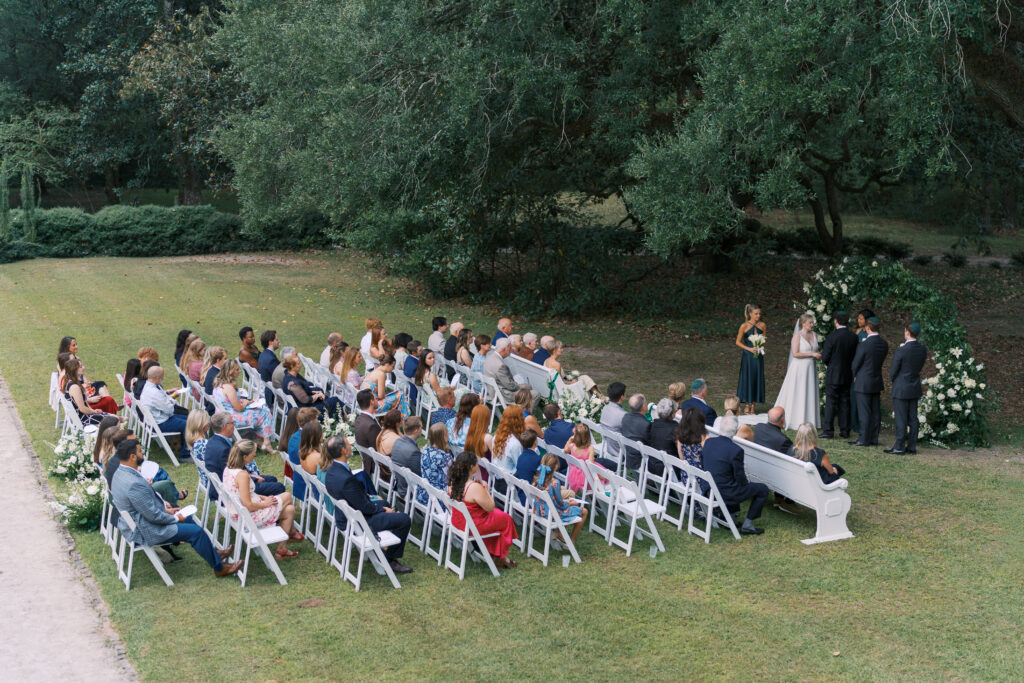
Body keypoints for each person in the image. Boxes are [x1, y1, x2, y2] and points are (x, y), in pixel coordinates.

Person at [111, 438, 240, 577]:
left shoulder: (120, 473)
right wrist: (174, 518)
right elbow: (153, 516)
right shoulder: (133, 484)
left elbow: (143, 507)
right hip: (147, 530)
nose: (143, 452)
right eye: (140, 451)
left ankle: (214, 553)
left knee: (188, 518)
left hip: (139, 521)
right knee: (196, 532)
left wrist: (167, 510)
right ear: (132, 457)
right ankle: (219, 569)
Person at [323, 435, 413, 574]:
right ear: (342, 450)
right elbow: (366, 508)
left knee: (384, 501)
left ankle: (384, 546)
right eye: (348, 444)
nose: (350, 446)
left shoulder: (332, 471)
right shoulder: (345, 478)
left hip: (347, 514)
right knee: (404, 519)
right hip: (358, 522)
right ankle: (389, 559)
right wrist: (383, 509)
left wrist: (369, 498)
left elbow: (353, 496)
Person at [222, 440, 301, 559]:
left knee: (289, 510)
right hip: (249, 517)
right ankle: (291, 533)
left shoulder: (228, 469)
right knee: (287, 496)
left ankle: (282, 550)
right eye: (253, 454)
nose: (254, 455)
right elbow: (247, 504)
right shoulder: (241, 475)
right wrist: (266, 503)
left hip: (240, 512)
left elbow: (246, 494)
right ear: (244, 456)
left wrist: (263, 497)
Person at [448, 450, 517, 569]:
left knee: (499, 517)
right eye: (476, 463)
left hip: (459, 521)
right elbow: (490, 507)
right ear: (471, 467)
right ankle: (499, 557)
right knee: (506, 519)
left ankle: (497, 556)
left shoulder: (452, 482)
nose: (478, 465)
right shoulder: (474, 487)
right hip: (473, 525)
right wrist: (485, 488)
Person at [701, 416, 769, 535]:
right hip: (724, 492)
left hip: (708, 488)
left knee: (730, 481)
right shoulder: (735, 450)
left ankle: (730, 518)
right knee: (762, 489)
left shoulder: (709, 442)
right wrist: (747, 486)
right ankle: (747, 525)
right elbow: (740, 477)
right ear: (736, 431)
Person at [212, 359, 275, 451]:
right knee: (265, 411)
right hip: (231, 418)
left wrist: (243, 401)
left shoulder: (219, 384)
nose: (239, 371)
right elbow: (239, 409)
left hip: (222, 414)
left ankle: (256, 440)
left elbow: (228, 401)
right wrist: (245, 403)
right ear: (231, 371)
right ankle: (266, 442)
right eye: (237, 370)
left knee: (257, 409)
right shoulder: (229, 387)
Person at [774, 313, 821, 430]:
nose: (812, 325)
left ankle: (810, 419)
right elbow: (795, 353)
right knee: (799, 391)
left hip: (810, 368)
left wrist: (817, 354)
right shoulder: (797, 336)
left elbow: (816, 349)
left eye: (812, 322)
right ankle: (795, 419)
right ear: (803, 323)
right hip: (799, 368)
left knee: (809, 391)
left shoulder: (814, 334)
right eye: (810, 322)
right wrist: (812, 354)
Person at [886, 322, 927, 455]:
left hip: (901, 387)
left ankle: (899, 446)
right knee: (913, 418)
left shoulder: (902, 350)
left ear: (907, 332)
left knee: (901, 418)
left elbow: (893, 371)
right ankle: (912, 446)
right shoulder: (922, 349)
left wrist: (896, 380)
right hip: (914, 385)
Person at [752, 407, 800, 514]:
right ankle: (785, 501)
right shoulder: (783, 440)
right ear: (782, 420)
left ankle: (779, 499)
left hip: (756, 468)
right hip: (773, 475)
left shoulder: (759, 427)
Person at [850, 317, 889, 447]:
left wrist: (855, 374)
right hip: (876, 379)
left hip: (863, 380)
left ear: (867, 328)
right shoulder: (884, 344)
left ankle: (863, 439)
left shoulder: (864, 344)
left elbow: (856, 363)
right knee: (875, 411)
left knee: (864, 411)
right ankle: (873, 438)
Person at [533, 452, 588, 543]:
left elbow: (556, 500)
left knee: (569, 504)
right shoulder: (555, 483)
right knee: (584, 511)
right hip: (551, 514)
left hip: (540, 510)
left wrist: (567, 501)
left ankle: (558, 532)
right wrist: (571, 502)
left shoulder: (538, 479)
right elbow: (561, 504)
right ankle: (571, 540)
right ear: (556, 466)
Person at [820, 311, 858, 439]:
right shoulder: (853, 337)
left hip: (834, 374)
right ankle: (845, 430)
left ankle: (828, 430)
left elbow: (825, 357)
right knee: (845, 402)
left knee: (831, 402)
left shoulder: (832, 337)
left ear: (835, 320)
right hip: (847, 373)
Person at [138, 366, 190, 460]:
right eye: (162, 376)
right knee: (190, 425)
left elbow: (167, 401)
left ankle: (184, 447)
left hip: (158, 418)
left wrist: (169, 402)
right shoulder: (154, 392)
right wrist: (169, 403)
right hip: (160, 423)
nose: (163, 379)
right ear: (157, 377)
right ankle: (185, 455)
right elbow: (170, 410)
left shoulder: (149, 385)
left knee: (190, 419)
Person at [62, 358, 118, 426]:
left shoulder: (72, 383)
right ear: (74, 370)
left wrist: (94, 410)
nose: (83, 367)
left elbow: (85, 403)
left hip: (85, 416)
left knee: (117, 418)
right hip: (84, 419)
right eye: (81, 366)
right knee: (115, 419)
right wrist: (94, 412)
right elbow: (82, 409)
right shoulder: (74, 387)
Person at [483, 338, 536, 406]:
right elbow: (511, 386)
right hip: (503, 395)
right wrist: (522, 387)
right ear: (503, 349)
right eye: (510, 348)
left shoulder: (489, 357)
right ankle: (524, 414)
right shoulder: (500, 365)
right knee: (535, 393)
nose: (511, 350)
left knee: (527, 386)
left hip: (491, 391)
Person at [735, 303, 767, 415]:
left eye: (759, 314)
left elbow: (764, 340)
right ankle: (747, 404)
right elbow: (737, 342)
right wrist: (749, 348)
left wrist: (760, 346)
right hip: (748, 357)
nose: (758, 316)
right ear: (750, 314)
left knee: (756, 378)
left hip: (758, 356)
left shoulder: (762, 325)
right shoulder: (744, 326)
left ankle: (753, 405)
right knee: (747, 378)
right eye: (756, 314)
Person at [848, 308, 875, 434]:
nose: (858, 320)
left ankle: (861, 423)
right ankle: (853, 421)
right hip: (855, 366)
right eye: (858, 318)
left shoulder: (870, 335)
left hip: (864, 369)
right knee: (853, 396)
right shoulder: (857, 332)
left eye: (861, 318)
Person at [419, 423, 456, 506]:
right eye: (447, 433)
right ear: (443, 437)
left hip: (424, 494)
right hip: (440, 499)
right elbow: (452, 478)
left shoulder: (425, 451)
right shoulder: (445, 458)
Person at [202, 412, 236, 499]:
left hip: (217, 486)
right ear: (224, 426)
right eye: (232, 423)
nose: (234, 425)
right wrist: (252, 479)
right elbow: (231, 474)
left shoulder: (212, 441)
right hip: (227, 492)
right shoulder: (223, 449)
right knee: (274, 485)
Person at [390, 416, 423, 498]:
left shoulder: (398, 442)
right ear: (416, 430)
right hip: (410, 490)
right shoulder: (413, 452)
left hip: (400, 485)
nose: (422, 430)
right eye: (421, 427)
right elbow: (420, 475)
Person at [674, 407, 707, 481]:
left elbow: (682, 458)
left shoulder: (680, 437)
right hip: (701, 479)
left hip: (686, 477)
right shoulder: (704, 438)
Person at [620, 394, 651, 471]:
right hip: (642, 460)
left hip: (628, 456)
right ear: (643, 407)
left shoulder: (625, 418)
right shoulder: (646, 424)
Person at [185, 410, 212, 493]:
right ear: (201, 424)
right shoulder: (204, 444)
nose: (209, 422)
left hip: (205, 480)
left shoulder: (194, 442)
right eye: (207, 420)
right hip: (213, 482)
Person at [599, 381, 627, 462]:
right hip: (620, 453)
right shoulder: (623, 415)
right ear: (622, 397)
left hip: (608, 447)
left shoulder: (605, 408)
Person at [493, 405, 526, 472]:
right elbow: (519, 467)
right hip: (510, 480)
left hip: (497, 476)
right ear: (518, 421)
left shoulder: (496, 437)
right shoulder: (515, 444)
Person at [257, 329, 280, 405]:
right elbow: (280, 377)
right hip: (273, 393)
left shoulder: (263, 354)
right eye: (276, 339)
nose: (279, 341)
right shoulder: (271, 359)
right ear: (270, 342)